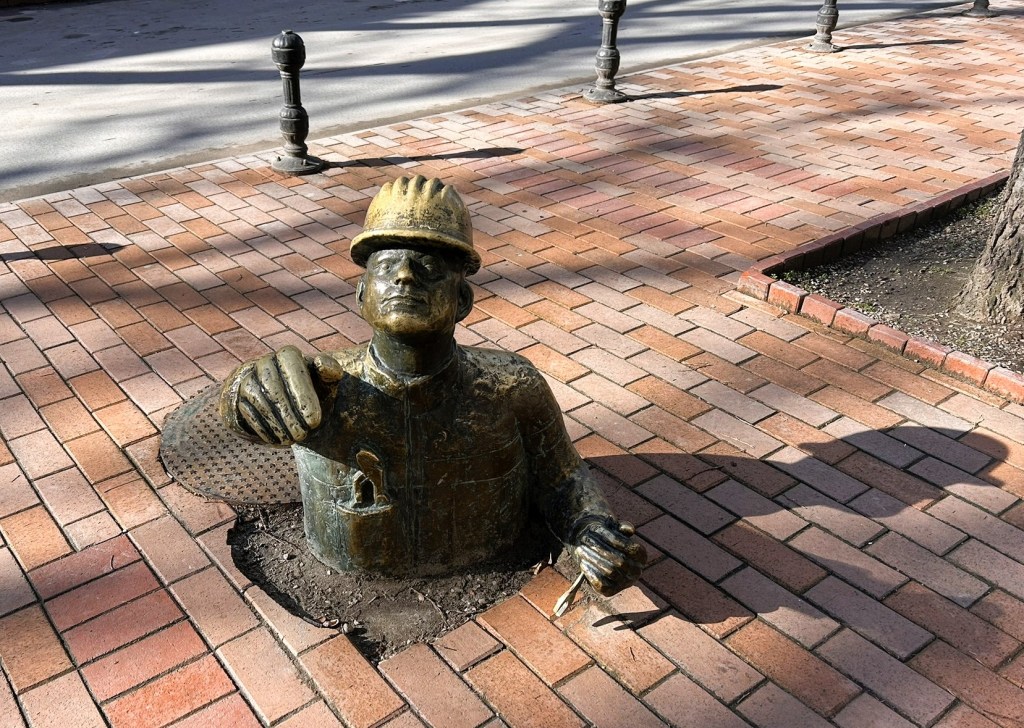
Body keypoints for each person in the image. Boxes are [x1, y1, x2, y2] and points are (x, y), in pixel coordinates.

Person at [219, 175, 646, 596]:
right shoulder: (323, 389)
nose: (405, 276)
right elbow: (253, 400)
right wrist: (242, 394)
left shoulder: (512, 384)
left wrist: (592, 533)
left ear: (462, 301)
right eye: (387, 266)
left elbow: (563, 475)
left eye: (428, 267)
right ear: (362, 294)